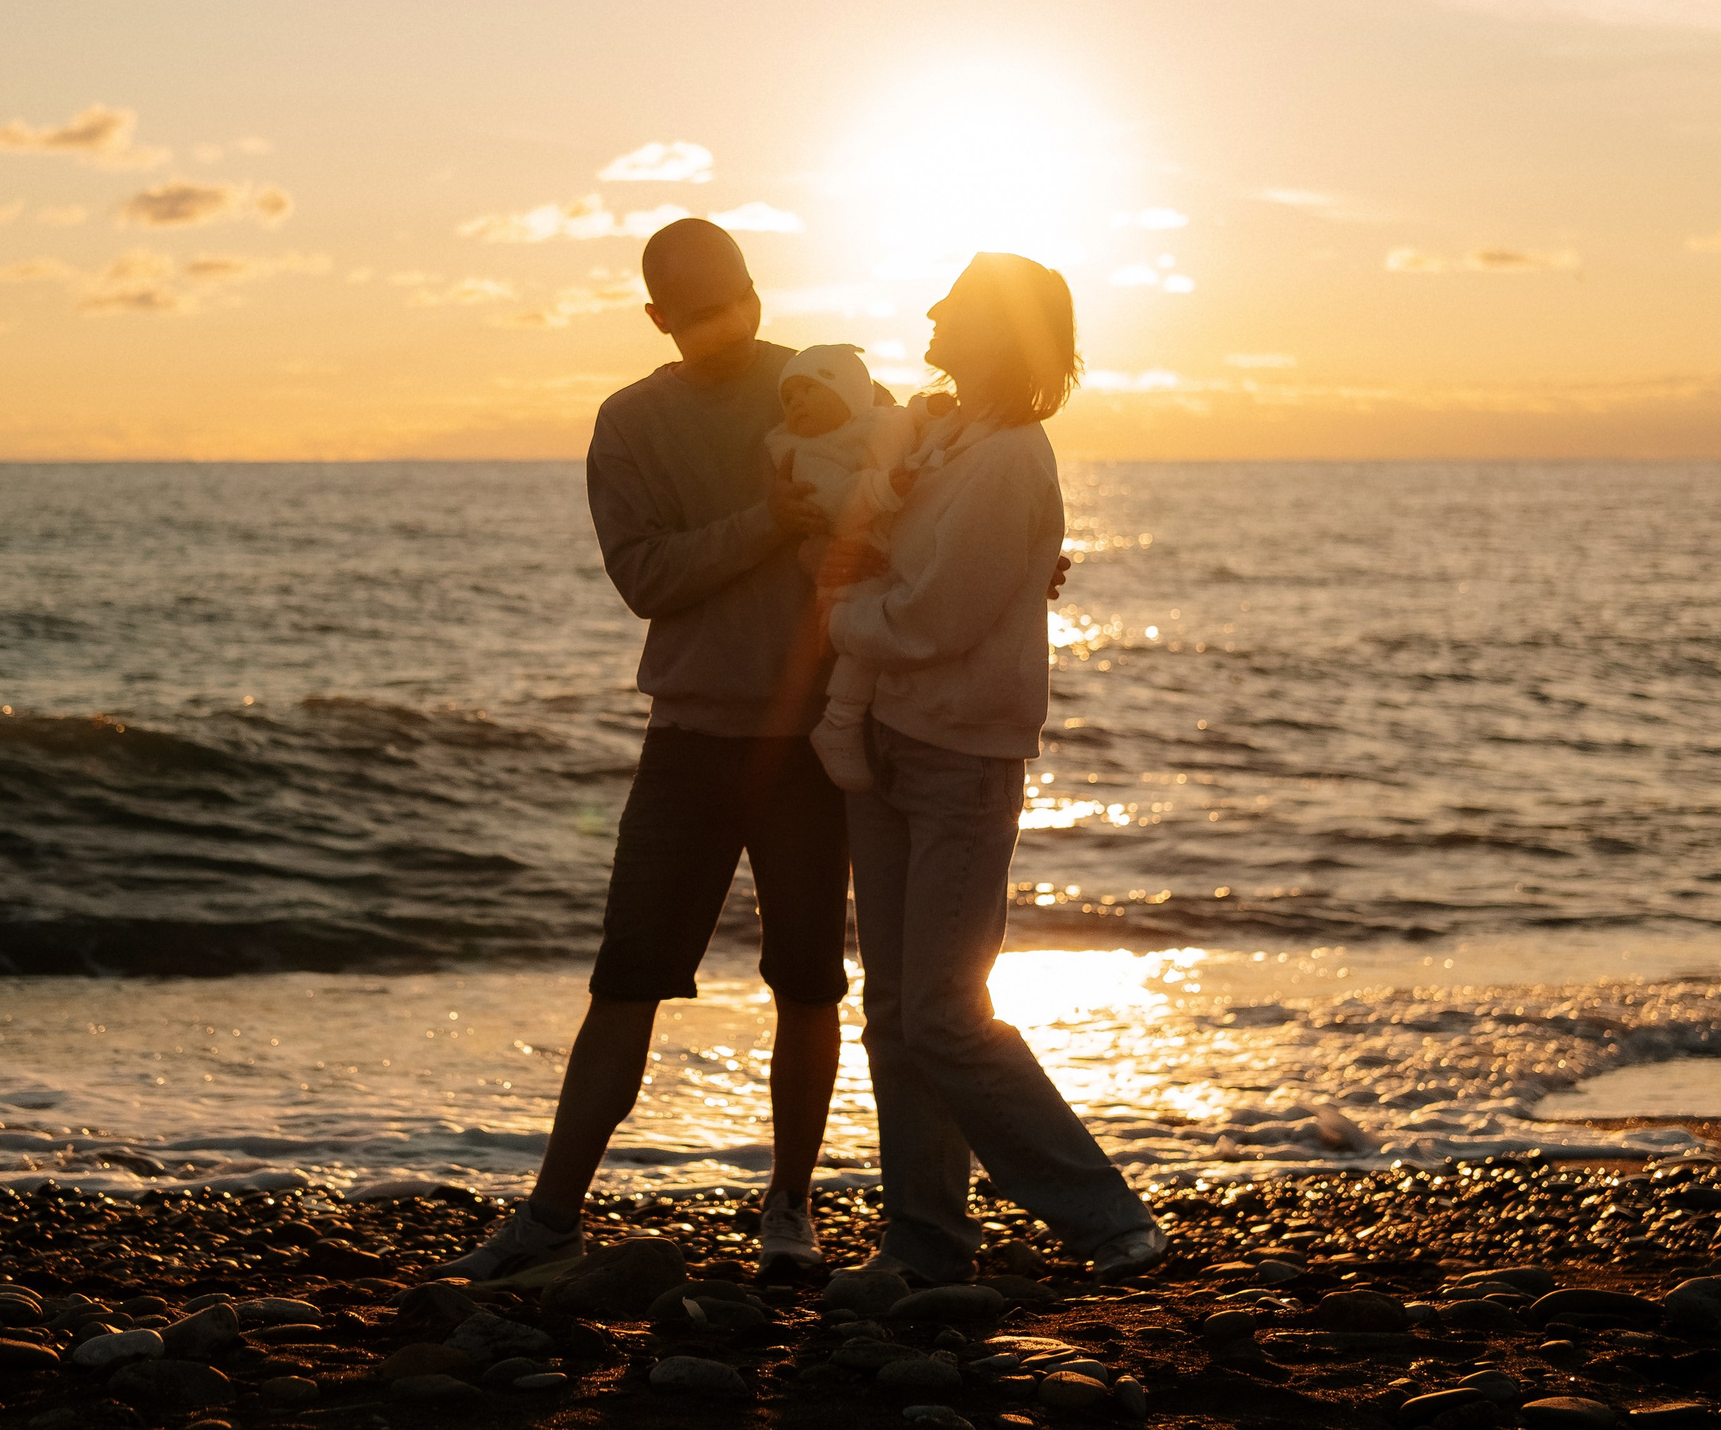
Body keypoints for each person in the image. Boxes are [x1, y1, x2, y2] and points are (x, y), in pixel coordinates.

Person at [432, 218, 852, 1280]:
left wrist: (1021, 560)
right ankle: (551, 1216)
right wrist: (765, 521)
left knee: (809, 984)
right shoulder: (629, 422)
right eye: (699, 309)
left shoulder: (823, 384)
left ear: (757, 289)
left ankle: (791, 1210)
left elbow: (907, 502)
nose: (727, 322)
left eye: (739, 297)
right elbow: (647, 581)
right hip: (692, 741)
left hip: (812, 745)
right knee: (627, 978)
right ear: (659, 317)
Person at [827, 251, 1169, 1287]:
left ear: (1004, 333)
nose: (931, 309)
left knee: (939, 1010)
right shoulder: (942, 434)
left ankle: (1108, 1220)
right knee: (894, 1010)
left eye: (958, 304)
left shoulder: (1010, 453)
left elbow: (937, 612)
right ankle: (926, 1243)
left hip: (960, 753)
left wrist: (834, 618)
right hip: (892, 740)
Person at [760, 342, 929, 793]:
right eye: (789, 397)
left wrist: (930, 409)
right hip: (849, 565)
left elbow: (915, 425)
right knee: (863, 636)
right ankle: (839, 721)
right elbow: (832, 500)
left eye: (809, 391)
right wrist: (883, 489)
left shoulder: (880, 422)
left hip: (889, 553)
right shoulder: (801, 451)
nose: (796, 404)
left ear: (850, 395)